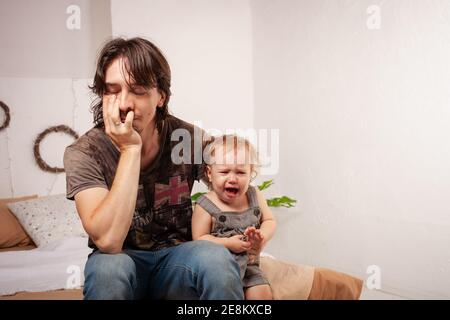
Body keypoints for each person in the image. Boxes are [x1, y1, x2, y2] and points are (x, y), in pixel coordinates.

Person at [63, 37, 244, 300]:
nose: (124, 104)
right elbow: (109, 241)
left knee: (215, 258)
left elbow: (236, 181)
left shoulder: (188, 139)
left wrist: (257, 232)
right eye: (112, 90)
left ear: (161, 96)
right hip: (122, 259)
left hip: (178, 260)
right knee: (106, 269)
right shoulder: (85, 152)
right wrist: (130, 150)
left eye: (137, 90)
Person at [192, 134, 277, 300]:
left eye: (240, 172)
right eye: (224, 172)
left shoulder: (254, 195)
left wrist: (261, 237)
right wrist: (228, 243)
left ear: (251, 173)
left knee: (263, 294)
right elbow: (199, 240)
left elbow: (269, 221)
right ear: (209, 173)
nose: (232, 179)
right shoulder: (205, 205)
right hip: (218, 271)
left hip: (250, 266)